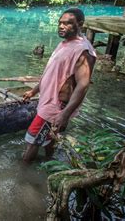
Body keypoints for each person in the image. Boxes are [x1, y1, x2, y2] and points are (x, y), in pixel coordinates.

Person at [22, 8, 96, 163]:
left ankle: (21, 175)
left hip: (56, 106)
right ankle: (51, 162)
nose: (62, 26)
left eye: (68, 23)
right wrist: (34, 91)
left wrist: (65, 113)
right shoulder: (65, 43)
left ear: (80, 24)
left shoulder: (83, 51)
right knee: (49, 137)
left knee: (32, 141)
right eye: (60, 23)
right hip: (48, 100)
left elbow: (83, 85)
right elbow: (51, 72)